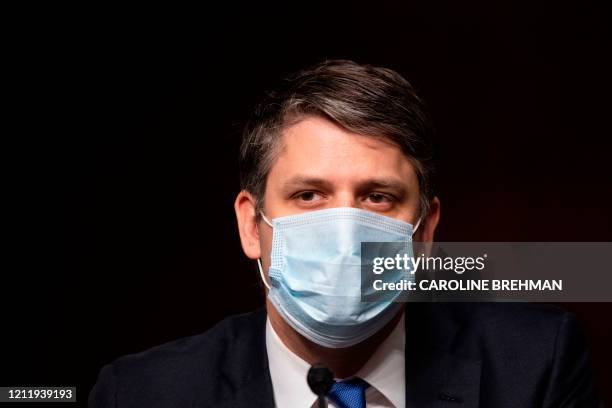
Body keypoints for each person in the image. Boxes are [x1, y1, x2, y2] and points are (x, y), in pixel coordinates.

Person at [89, 60, 599, 407]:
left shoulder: (535, 367)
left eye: (378, 197)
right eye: (308, 195)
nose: (344, 228)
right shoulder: (142, 393)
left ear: (424, 235)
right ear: (251, 225)